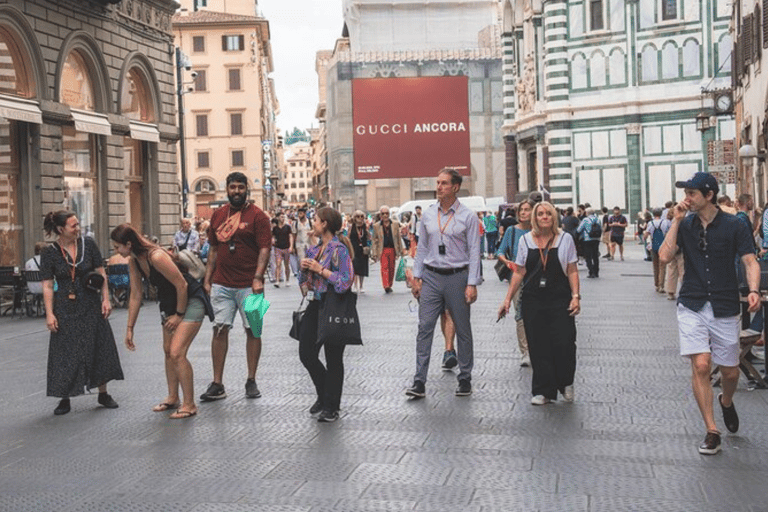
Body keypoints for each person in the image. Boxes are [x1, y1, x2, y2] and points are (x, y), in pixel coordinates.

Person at [659, 172, 760, 455]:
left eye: (692, 193)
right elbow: (665, 256)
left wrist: (753, 290)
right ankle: (711, 429)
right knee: (702, 365)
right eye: (685, 193)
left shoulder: (734, 224)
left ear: (709, 195)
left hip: (725, 303)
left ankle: (726, 401)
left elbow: (750, 260)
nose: (686, 199)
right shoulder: (685, 223)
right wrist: (676, 221)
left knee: (729, 371)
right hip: (691, 301)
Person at [111, 224, 210, 419]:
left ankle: (189, 404)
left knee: (177, 352)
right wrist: (130, 328)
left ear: (128, 244)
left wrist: (179, 315)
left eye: (117, 247)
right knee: (168, 350)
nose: (115, 251)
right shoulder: (134, 261)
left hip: (190, 299)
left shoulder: (155, 256)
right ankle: (173, 397)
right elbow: (136, 295)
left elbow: (181, 284)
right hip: (169, 303)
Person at [406, 168, 481, 398]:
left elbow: (475, 251)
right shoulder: (428, 214)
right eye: (437, 183)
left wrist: (472, 283)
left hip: (458, 276)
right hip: (431, 276)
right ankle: (419, 380)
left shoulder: (468, 216)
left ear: (455, 187)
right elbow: (422, 249)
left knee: (463, 327)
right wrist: (417, 277)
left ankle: (465, 376)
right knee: (424, 327)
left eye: (444, 183)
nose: (439, 187)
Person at [40, 211, 123, 415]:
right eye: (73, 225)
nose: (78, 228)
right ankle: (64, 397)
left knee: (99, 345)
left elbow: (101, 272)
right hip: (64, 307)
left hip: (90, 302)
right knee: (64, 351)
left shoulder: (88, 244)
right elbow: (48, 285)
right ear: (61, 229)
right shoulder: (49, 252)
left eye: (78, 224)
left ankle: (103, 393)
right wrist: (49, 314)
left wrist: (106, 299)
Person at [499, 201, 580, 405]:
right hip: (533, 299)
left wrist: (575, 296)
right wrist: (507, 299)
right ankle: (543, 390)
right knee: (538, 345)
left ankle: (566, 383)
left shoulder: (565, 239)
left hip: (560, 298)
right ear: (534, 218)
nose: (544, 217)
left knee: (565, 343)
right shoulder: (526, 240)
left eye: (548, 214)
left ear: (554, 217)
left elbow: (571, 269)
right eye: (540, 214)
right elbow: (519, 271)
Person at [201, 172, 272, 402]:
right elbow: (212, 248)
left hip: (251, 286)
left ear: (246, 190)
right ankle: (217, 383)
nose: (237, 191)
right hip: (222, 284)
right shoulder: (218, 215)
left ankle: (251, 379)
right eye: (233, 187)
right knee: (219, 329)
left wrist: (258, 277)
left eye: (241, 187)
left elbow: (264, 249)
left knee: (253, 329)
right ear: (227, 190)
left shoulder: (258, 217)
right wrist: (207, 278)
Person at [297, 207, 355, 422]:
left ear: (325, 224)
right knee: (306, 353)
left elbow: (345, 282)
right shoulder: (314, 250)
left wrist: (320, 270)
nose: (313, 223)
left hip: (334, 305)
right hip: (315, 305)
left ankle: (331, 405)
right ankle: (324, 394)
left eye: (316, 220)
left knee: (333, 358)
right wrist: (304, 274)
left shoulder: (339, 249)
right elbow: (303, 280)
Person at [496, 199, 534, 366]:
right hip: (516, 278)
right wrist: (507, 262)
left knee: (536, 313)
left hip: (536, 277)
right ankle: (525, 351)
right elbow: (500, 252)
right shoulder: (512, 231)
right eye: (521, 210)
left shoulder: (538, 231)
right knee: (520, 313)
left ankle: (537, 348)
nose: (523, 213)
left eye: (527, 209)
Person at [371, 205, 405, 293]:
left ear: (389, 214)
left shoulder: (395, 224)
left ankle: (390, 284)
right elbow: (374, 240)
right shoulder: (376, 226)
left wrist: (401, 250)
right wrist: (374, 252)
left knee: (391, 267)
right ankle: (386, 285)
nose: (385, 215)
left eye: (387, 213)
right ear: (380, 215)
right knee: (384, 267)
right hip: (383, 249)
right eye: (383, 213)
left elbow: (398, 238)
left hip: (393, 248)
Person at [645, 208, 669, 293]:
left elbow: (646, 235)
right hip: (663, 246)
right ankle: (661, 286)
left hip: (653, 246)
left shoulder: (650, 223)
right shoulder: (665, 222)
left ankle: (656, 284)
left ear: (653, 214)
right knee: (662, 266)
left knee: (655, 266)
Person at [348, 210, 370, 294]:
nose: (360, 218)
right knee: (355, 267)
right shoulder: (351, 226)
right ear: (354, 218)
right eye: (358, 216)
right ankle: (355, 285)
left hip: (363, 249)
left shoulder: (365, 226)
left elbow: (368, 237)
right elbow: (348, 237)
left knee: (363, 268)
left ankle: (361, 286)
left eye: (362, 216)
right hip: (354, 248)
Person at [577, 208, 601, 278]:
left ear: (587, 213)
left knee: (588, 256)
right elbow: (601, 229)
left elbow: (579, 230)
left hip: (587, 239)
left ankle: (591, 272)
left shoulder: (585, 220)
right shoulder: (598, 219)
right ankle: (596, 272)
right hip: (596, 239)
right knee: (595, 256)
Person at [272, 212, 293, 288]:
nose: (283, 218)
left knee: (286, 265)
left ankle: (287, 280)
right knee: (278, 264)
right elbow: (273, 236)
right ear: (277, 218)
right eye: (281, 217)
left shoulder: (287, 227)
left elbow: (291, 237)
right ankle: (277, 281)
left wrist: (291, 246)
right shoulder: (275, 228)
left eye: (283, 217)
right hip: (278, 248)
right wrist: (273, 240)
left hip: (286, 247)